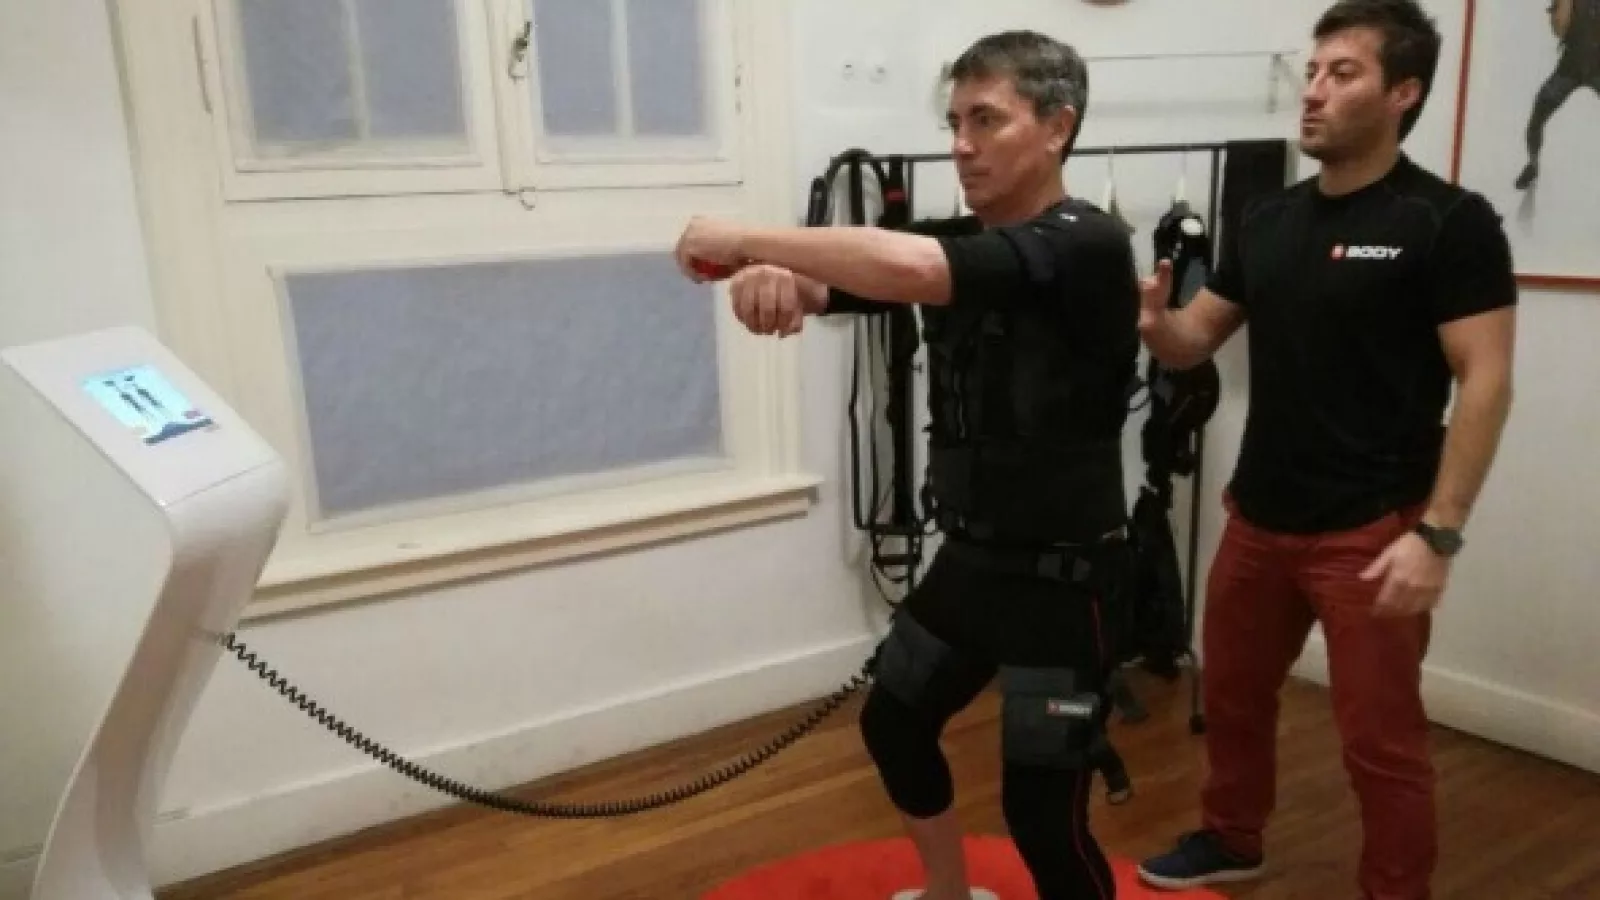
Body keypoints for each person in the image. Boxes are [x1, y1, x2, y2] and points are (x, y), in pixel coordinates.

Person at [673, 30, 1140, 900]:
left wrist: (742, 237)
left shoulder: (1088, 243)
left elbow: (917, 268)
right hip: (971, 565)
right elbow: (839, 283)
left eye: (986, 120)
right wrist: (772, 277)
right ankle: (947, 893)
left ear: (1057, 127)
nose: (961, 144)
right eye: (954, 121)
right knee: (894, 723)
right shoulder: (956, 242)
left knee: (1044, 817)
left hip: (1064, 587)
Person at [1133, 2, 1518, 899]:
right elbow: (1195, 339)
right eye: (1312, 71)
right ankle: (1233, 839)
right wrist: (1155, 325)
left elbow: (1487, 381)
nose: (1312, 90)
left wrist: (1437, 535)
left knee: (1380, 743)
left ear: (1403, 93)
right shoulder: (1267, 218)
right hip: (1259, 515)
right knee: (1231, 699)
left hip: (1373, 530)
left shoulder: (1447, 220)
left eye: (1342, 73)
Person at [1515, 0, 1600, 190]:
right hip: (1570, 67)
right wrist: (1558, 11)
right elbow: (1558, 26)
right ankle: (1533, 165)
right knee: (1538, 116)